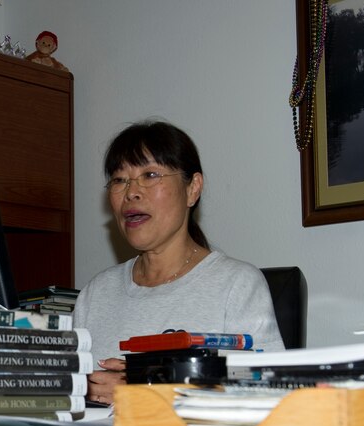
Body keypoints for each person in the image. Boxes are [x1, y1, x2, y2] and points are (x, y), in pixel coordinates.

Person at [73, 120, 284, 405]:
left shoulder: (237, 285)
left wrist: (145, 392)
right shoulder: (95, 294)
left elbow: (269, 394)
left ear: (193, 188)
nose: (131, 192)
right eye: (120, 180)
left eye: (150, 174)